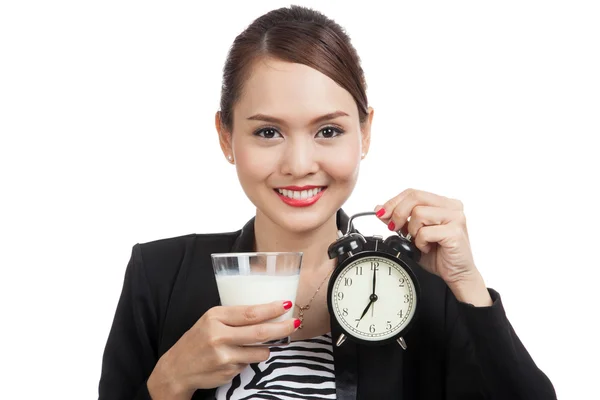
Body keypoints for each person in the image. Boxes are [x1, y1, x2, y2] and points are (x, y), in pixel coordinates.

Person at [98, 5, 556, 400]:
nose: (300, 164)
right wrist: (168, 383)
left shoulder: (423, 287)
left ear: (366, 133)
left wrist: (468, 284)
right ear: (226, 136)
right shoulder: (158, 277)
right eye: (268, 132)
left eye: (328, 131)